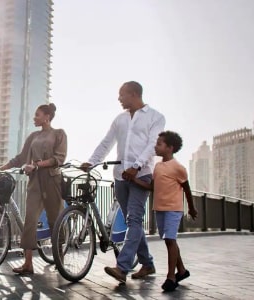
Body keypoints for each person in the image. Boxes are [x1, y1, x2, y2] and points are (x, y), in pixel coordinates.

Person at [81, 81, 165, 283]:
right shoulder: (119, 119)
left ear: (134, 94)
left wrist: (135, 167)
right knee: (132, 221)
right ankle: (147, 263)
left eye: (122, 95)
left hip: (141, 175)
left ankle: (122, 267)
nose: (119, 99)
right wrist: (92, 162)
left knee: (134, 220)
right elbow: (106, 142)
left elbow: (153, 145)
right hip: (120, 176)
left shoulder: (156, 117)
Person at [0, 103, 67, 275]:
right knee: (30, 221)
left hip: (52, 181)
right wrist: (1, 168)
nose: (34, 118)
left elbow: (59, 158)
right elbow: (21, 158)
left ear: (47, 117)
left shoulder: (59, 134)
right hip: (35, 183)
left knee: (55, 220)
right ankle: (28, 263)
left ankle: (60, 258)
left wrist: (36, 165)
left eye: (37, 115)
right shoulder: (33, 136)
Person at [131, 131, 198, 292]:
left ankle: (171, 277)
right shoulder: (158, 166)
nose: (156, 146)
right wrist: (134, 180)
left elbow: (187, 190)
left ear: (170, 148)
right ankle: (181, 270)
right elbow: (152, 187)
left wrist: (191, 208)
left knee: (170, 240)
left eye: (160, 143)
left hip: (173, 210)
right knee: (169, 240)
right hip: (159, 209)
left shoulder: (178, 168)